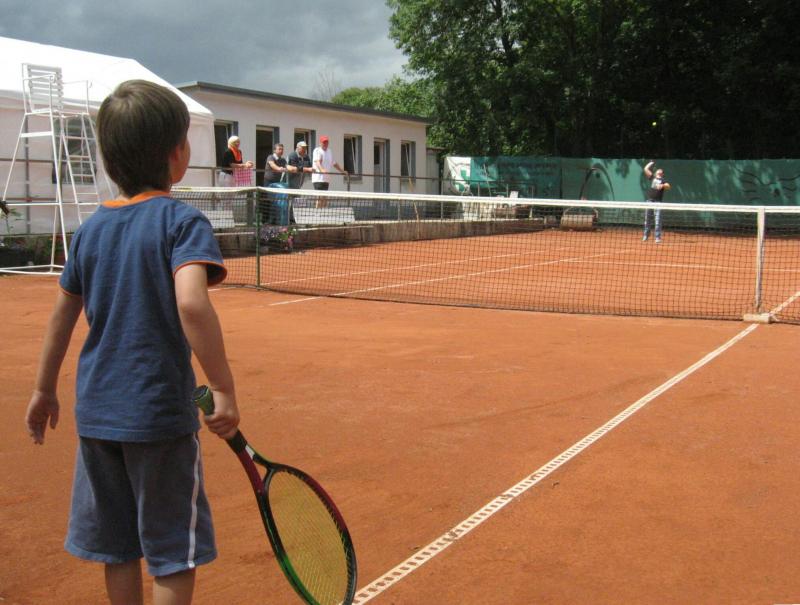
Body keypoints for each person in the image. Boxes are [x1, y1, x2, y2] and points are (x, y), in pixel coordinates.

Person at [24, 80, 240, 605]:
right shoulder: (181, 222)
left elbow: (61, 317)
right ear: (177, 154)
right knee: (172, 551)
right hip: (158, 413)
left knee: (117, 547)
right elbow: (192, 303)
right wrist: (222, 387)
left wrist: (44, 389)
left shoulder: (90, 230)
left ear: (108, 156)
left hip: (97, 412)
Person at [312, 135, 347, 207]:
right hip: (318, 179)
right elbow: (317, 162)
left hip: (326, 179)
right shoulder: (317, 150)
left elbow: (334, 163)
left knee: (325, 199)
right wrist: (322, 170)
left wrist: (342, 171)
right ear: (320, 143)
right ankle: (317, 213)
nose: (325, 144)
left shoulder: (329, 151)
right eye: (324, 142)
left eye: (326, 142)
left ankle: (323, 213)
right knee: (320, 198)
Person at [642, 160, 671, 243]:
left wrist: (663, 185)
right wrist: (651, 162)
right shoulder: (652, 178)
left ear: (662, 174)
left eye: (661, 171)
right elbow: (646, 169)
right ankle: (646, 235)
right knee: (647, 219)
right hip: (649, 201)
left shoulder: (663, 180)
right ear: (656, 172)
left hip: (658, 202)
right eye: (658, 170)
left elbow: (668, 186)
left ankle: (657, 238)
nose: (660, 170)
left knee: (658, 220)